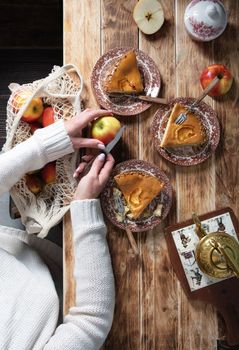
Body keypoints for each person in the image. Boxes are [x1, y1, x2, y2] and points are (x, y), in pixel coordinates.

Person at [0, 108, 115, 350]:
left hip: (25, 249)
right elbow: (91, 322)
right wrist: (84, 208)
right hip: (65, 303)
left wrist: (43, 146)